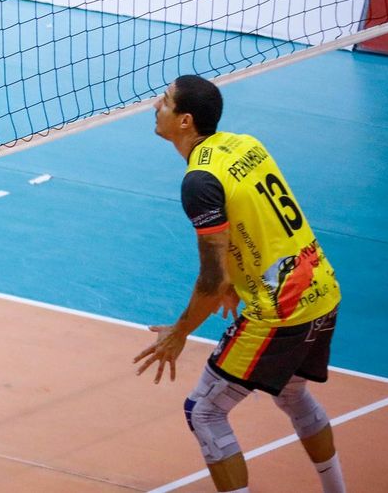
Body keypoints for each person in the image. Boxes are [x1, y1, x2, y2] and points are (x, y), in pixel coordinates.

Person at [135, 75, 347, 493]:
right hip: (321, 287)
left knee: (204, 412)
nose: (154, 106)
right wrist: (238, 280)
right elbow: (259, 217)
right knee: (291, 393)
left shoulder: (199, 181)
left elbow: (211, 281)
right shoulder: (245, 144)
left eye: (164, 101)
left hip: (281, 311)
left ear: (185, 121)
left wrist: (179, 334)